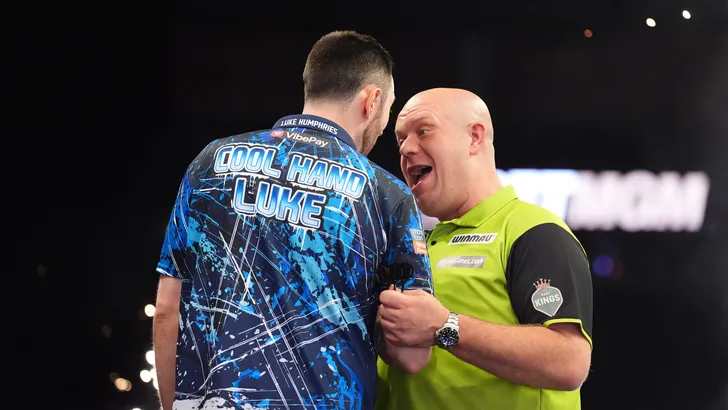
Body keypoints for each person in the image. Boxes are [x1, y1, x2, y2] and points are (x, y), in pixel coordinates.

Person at [152, 31, 434, 410]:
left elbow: (168, 308)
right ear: (372, 101)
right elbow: (412, 356)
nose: (383, 127)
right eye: (388, 111)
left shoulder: (211, 161)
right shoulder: (387, 194)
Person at [375, 88, 594, 409]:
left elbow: (569, 362)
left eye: (423, 131)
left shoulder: (532, 230)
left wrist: (445, 326)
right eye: (400, 140)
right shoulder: (415, 242)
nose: (406, 148)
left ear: (474, 138)